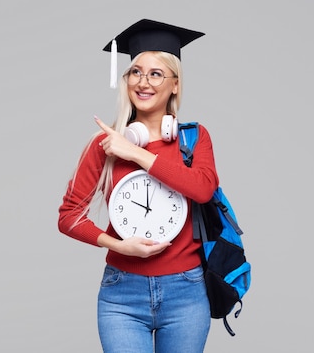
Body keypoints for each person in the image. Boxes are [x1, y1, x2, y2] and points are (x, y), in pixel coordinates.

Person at [58, 19, 219, 353]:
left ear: (175, 84)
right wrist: (118, 246)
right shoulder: (104, 144)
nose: (143, 82)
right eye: (135, 72)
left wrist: (135, 153)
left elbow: (203, 190)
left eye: (156, 74)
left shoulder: (194, 139)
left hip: (186, 292)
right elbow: (69, 216)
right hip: (122, 294)